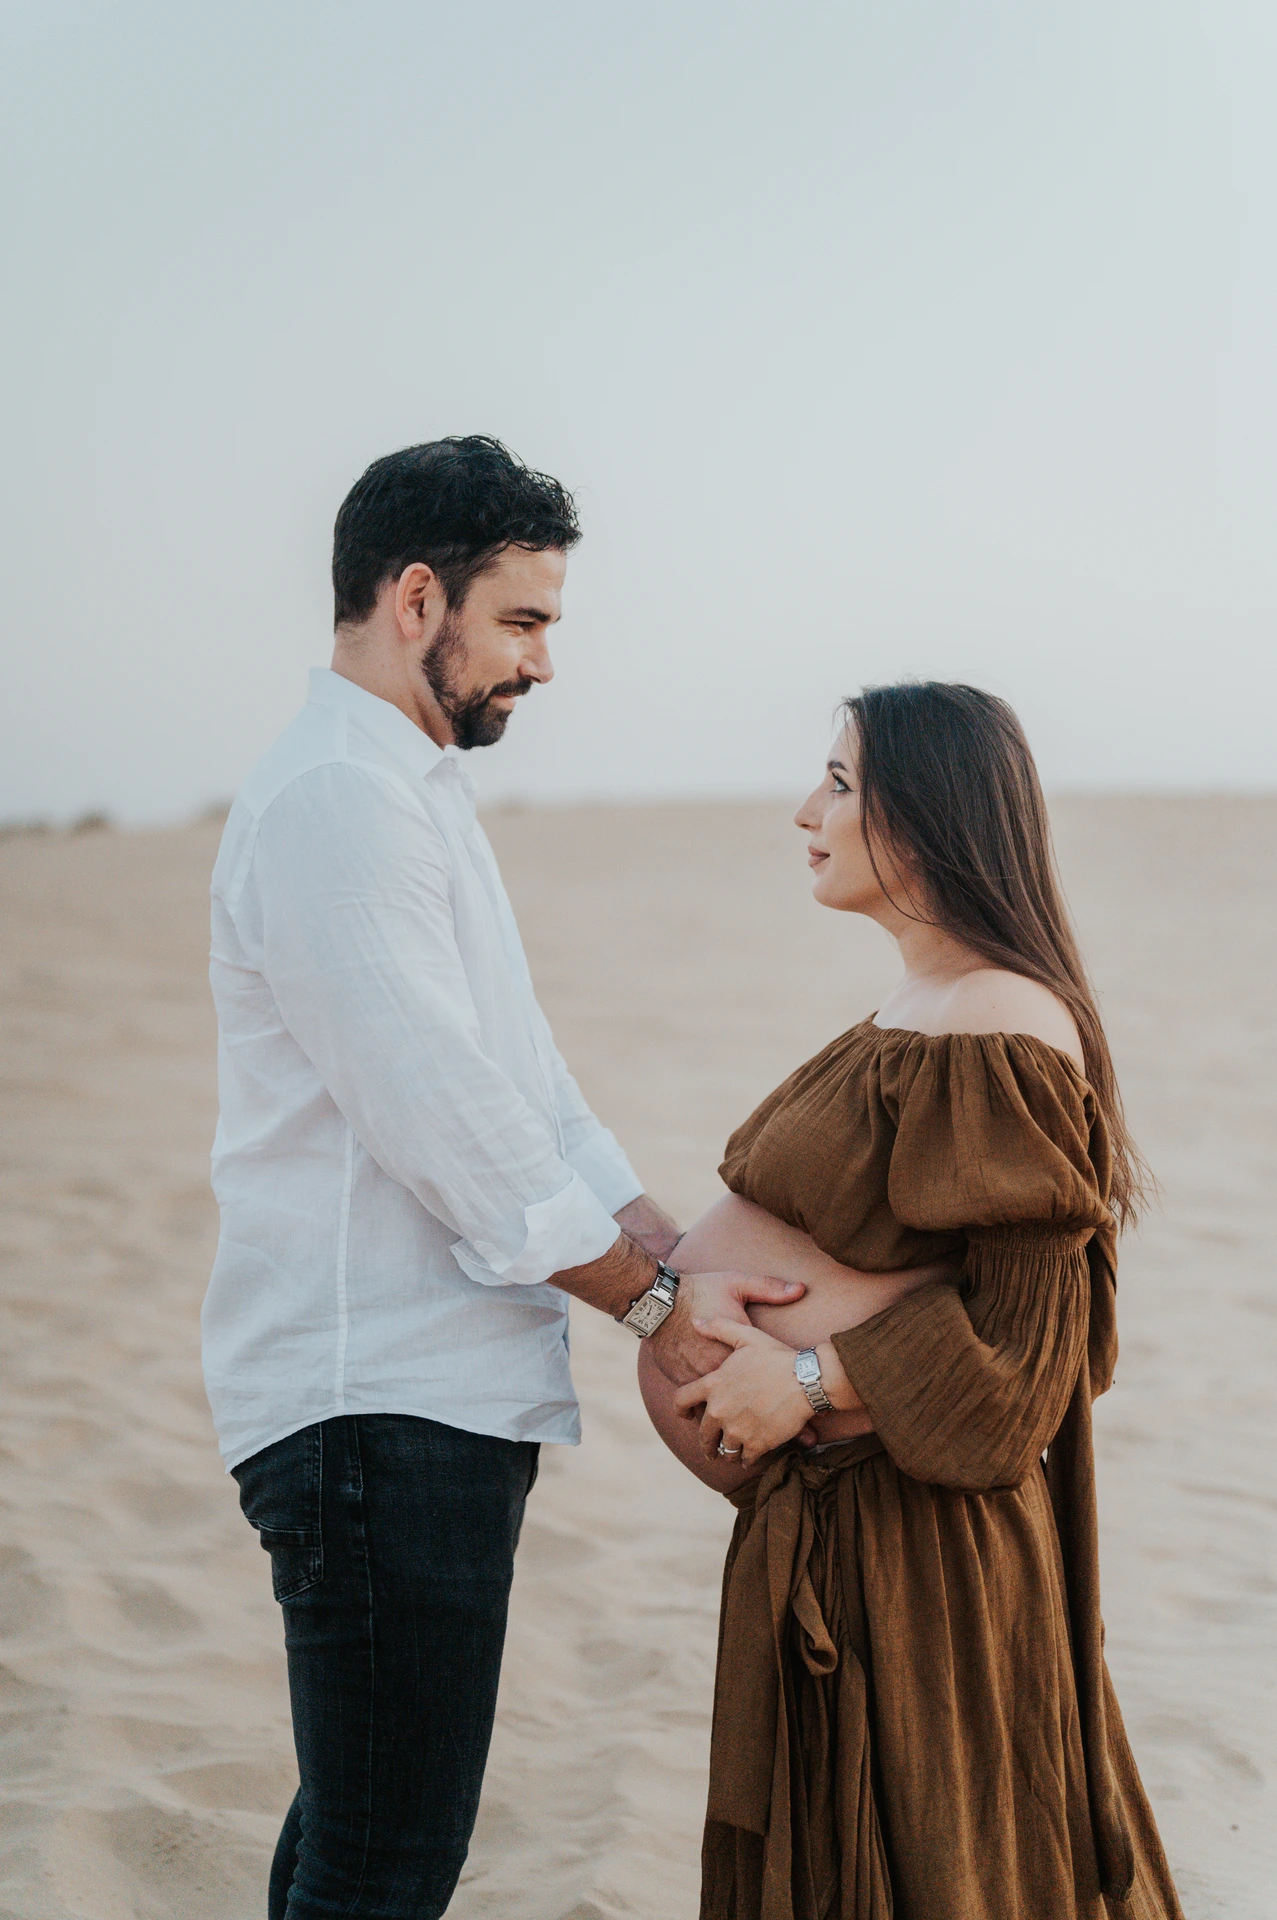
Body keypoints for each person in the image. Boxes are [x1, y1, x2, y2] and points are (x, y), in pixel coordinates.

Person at [203, 435, 805, 1920]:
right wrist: (661, 1305)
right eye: (524, 620)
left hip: (425, 1411)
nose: (543, 663)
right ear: (418, 599)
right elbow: (455, 1134)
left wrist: (680, 1248)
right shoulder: (336, 805)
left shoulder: (411, 799)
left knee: (361, 1834)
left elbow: (533, 1097)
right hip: (374, 1411)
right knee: (385, 1861)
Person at [641, 682, 1184, 1918]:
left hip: (921, 1554)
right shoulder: (921, 1009)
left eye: (837, 785)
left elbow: (1026, 1354)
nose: (803, 812)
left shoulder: (999, 1018)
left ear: (928, 815)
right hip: (847, 1530)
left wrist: (806, 1381)